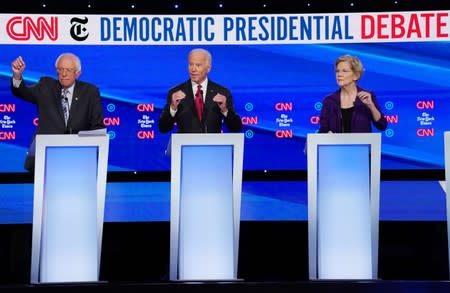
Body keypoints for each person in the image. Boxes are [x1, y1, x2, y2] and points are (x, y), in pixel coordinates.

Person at [11, 53, 105, 172]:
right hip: (45, 158)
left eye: (68, 70)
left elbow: (97, 126)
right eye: (60, 69)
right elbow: (22, 92)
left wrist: (92, 154)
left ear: (78, 73)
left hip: (79, 159)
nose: (64, 74)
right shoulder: (46, 86)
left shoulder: (90, 92)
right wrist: (17, 75)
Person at [158, 48, 242, 134]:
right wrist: (172, 107)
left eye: (198, 65)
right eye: (191, 64)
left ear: (208, 68)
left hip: (212, 146)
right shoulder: (175, 92)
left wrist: (225, 110)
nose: (193, 69)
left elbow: (236, 128)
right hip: (185, 146)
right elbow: (163, 128)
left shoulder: (222, 92)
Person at [319, 55, 387, 133]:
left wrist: (371, 106)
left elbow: (382, 125)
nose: (339, 75)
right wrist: (326, 134)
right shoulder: (329, 101)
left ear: (356, 75)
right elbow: (323, 130)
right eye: (337, 71)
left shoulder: (367, 96)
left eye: (344, 71)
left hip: (361, 144)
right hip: (336, 145)